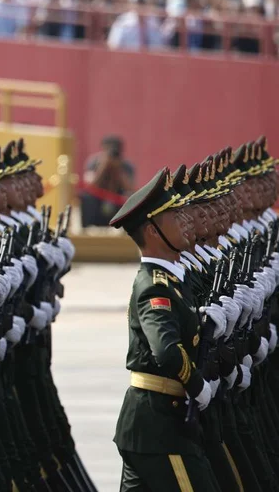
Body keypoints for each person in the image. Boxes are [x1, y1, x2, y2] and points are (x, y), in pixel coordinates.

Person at [109, 168, 217, 491]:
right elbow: (167, 350)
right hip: (160, 426)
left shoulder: (171, 281)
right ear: (153, 231)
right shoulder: (155, 287)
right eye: (174, 215)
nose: (184, 220)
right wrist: (198, 386)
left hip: (151, 426)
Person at [82, 135, 136, 227]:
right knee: (86, 197)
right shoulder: (93, 162)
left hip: (117, 198)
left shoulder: (127, 165)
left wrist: (118, 170)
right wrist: (103, 167)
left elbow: (130, 189)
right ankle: (89, 226)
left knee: (129, 198)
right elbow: (89, 186)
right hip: (97, 199)